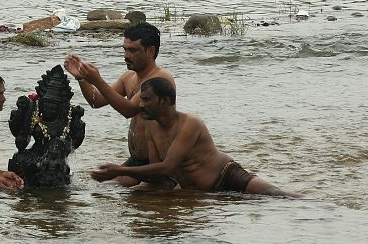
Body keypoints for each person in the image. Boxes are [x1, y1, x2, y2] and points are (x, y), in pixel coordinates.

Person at [91, 78, 302, 197]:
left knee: (277, 195)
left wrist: (119, 170)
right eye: (141, 100)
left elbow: (167, 166)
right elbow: (159, 175)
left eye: (147, 100)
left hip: (226, 175)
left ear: (165, 101)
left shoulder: (189, 123)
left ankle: (321, 207)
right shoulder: (150, 127)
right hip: (197, 190)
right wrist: (120, 181)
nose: (141, 105)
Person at [64, 22, 176, 188]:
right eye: (124, 49)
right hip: (136, 161)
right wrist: (82, 79)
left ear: (150, 51)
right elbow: (97, 101)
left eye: (132, 50)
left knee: (131, 199)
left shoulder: (160, 79)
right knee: (97, 187)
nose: (126, 55)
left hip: (157, 164)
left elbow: (129, 110)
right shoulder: (129, 77)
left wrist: (97, 80)